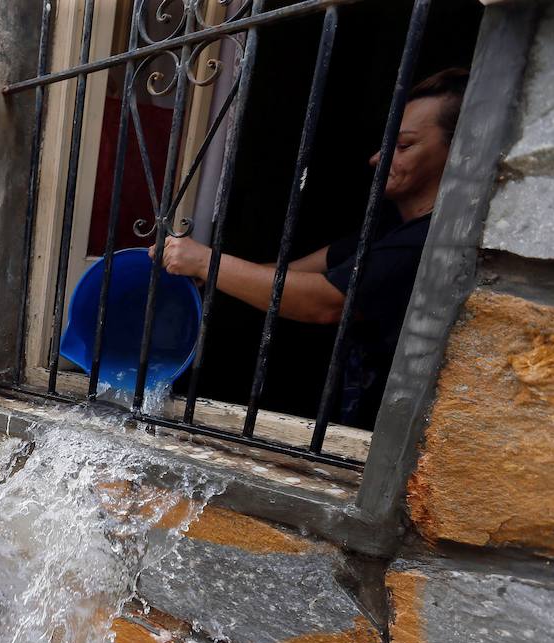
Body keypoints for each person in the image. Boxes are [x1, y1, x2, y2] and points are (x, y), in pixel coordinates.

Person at [155, 68, 468, 429]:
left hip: (393, 427)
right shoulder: (390, 227)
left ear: (456, 152)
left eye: (403, 146)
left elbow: (326, 303)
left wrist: (204, 262)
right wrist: (205, 276)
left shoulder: (427, 242)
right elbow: (295, 273)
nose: (377, 159)